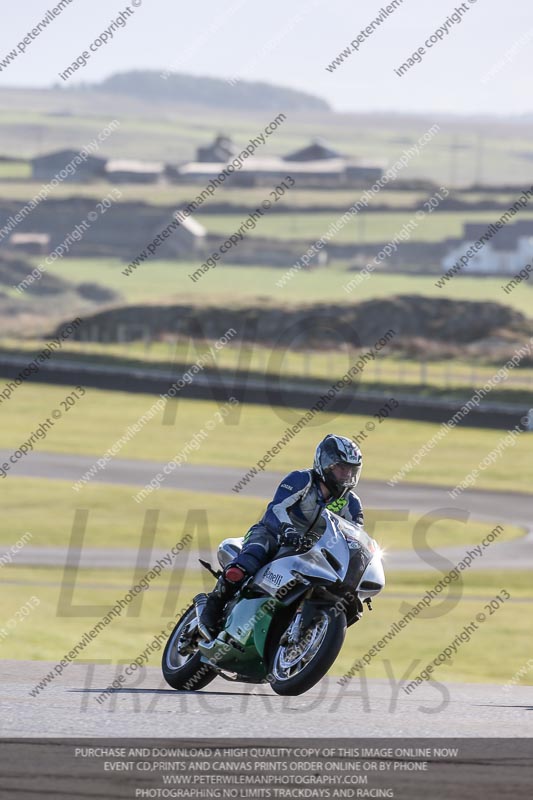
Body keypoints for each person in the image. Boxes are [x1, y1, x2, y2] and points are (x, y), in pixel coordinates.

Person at [198, 433, 364, 639]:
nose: (346, 475)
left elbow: (355, 536)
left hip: (312, 552)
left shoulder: (351, 502)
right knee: (247, 563)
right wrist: (287, 530)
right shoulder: (302, 479)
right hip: (272, 534)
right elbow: (276, 508)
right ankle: (211, 610)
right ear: (326, 464)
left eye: (351, 470)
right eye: (341, 468)